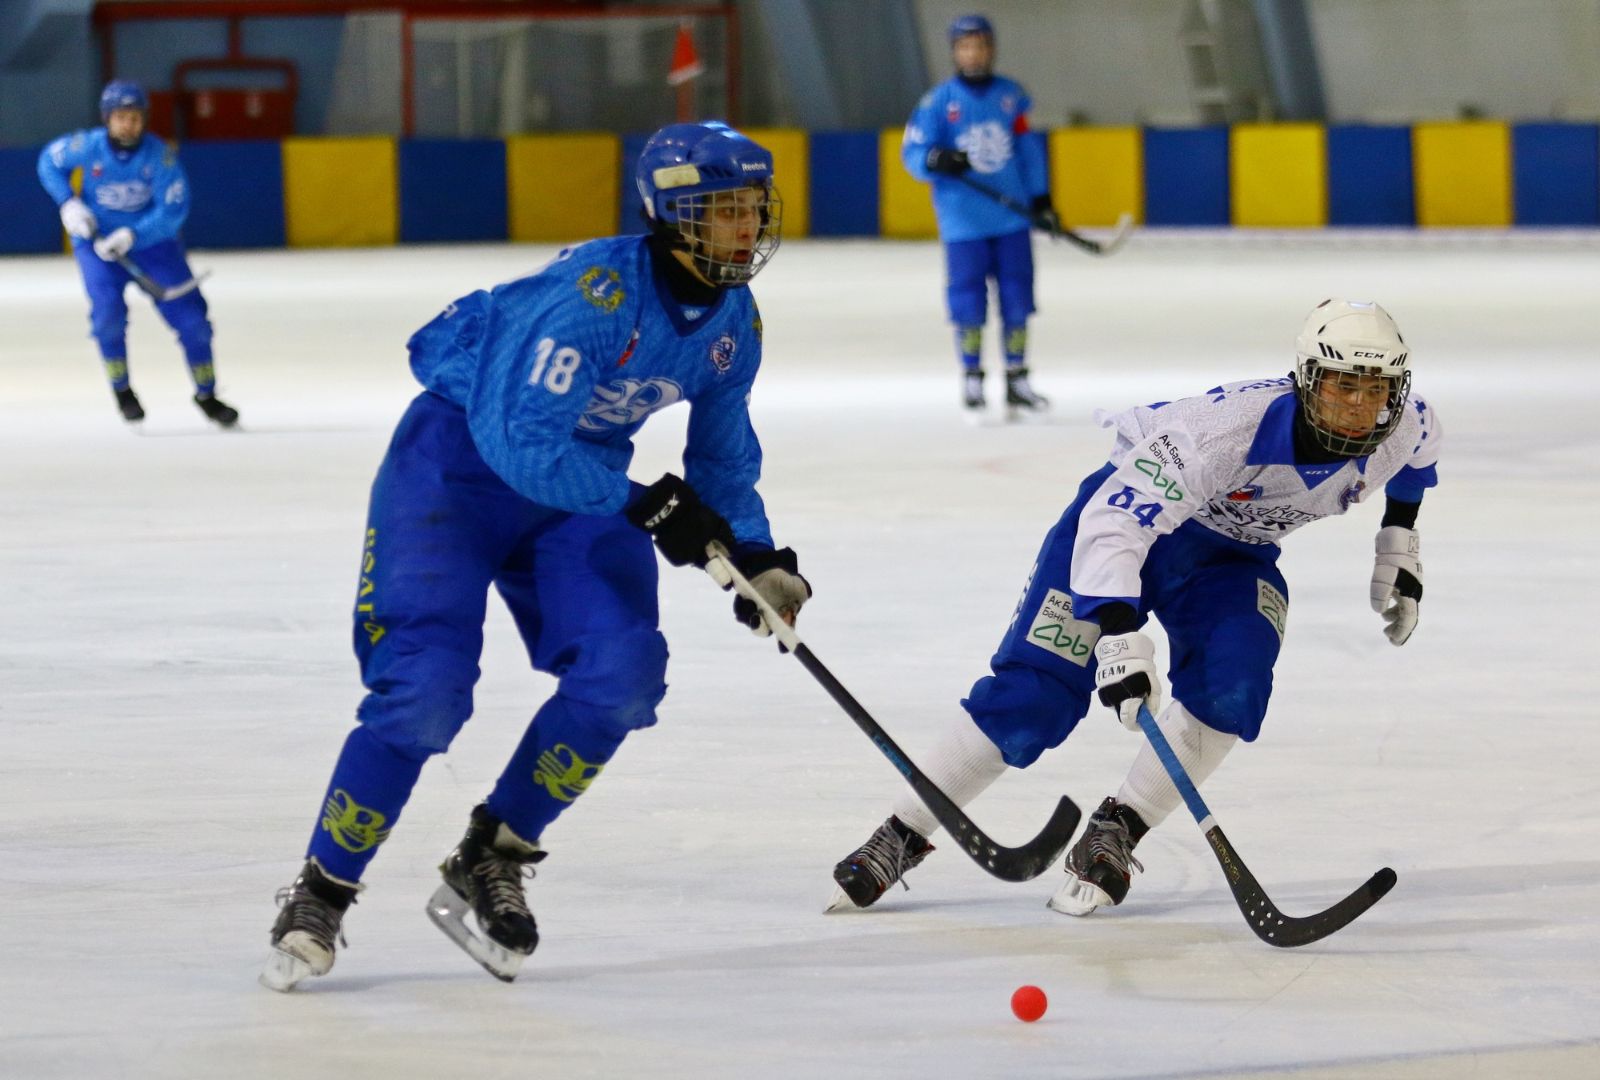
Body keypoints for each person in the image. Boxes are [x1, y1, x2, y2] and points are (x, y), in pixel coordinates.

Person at [260, 121, 811, 992]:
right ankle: (322, 887)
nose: (745, 229)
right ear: (671, 215)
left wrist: (753, 553)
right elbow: (521, 442)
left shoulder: (733, 321)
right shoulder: (591, 297)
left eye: (753, 208)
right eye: (723, 211)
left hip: (579, 480)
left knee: (624, 674)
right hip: (457, 469)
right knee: (426, 689)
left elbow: (724, 455)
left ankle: (493, 851)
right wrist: (641, 504)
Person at [829, 299, 1440, 917]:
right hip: (1120, 530)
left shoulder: (1403, 423)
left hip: (1230, 562)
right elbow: (1117, 521)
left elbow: (1422, 452)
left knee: (1236, 681)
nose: (1362, 405)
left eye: (1377, 387)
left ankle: (1119, 827)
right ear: (1308, 380)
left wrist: (1400, 543)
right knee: (1037, 695)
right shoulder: (1221, 432)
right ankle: (902, 833)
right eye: (1344, 385)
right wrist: (1119, 633)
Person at [36, 80, 238, 428]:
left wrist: (134, 234)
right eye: (120, 117)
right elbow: (48, 163)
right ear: (107, 118)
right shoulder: (89, 146)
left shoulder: (159, 157)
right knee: (107, 316)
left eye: (134, 117)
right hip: (98, 248)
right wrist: (68, 202)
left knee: (194, 324)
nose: (127, 124)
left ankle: (206, 393)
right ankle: (122, 389)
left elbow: (175, 208)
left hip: (154, 249)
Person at [902, 13, 1055, 419]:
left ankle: (1017, 377)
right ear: (956, 52)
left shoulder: (1012, 97)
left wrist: (1041, 198)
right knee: (967, 299)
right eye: (966, 46)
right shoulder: (937, 102)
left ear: (992, 48)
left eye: (981, 45)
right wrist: (935, 157)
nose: (974, 53)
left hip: (1011, 220)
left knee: (1017, 297)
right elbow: (913, 153)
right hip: (962, 224)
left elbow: (1027, 151)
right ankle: (972, 377)